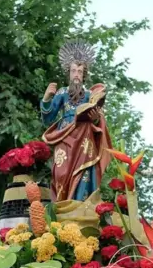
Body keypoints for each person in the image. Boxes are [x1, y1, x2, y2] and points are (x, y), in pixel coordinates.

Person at [40, 40, 112, 202]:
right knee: (61, 171)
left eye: (80, 71)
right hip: (65, 136)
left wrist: (95, 118)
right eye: (74, 71)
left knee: (84, 171)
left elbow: (98, 118)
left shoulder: (89, 94)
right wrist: (46, 98)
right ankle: (61, 206)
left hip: (85, 137)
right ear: (69, 73)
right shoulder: (62, 92)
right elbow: (48, 117)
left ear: (84, 74)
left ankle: (80, 206)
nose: (77, 74)